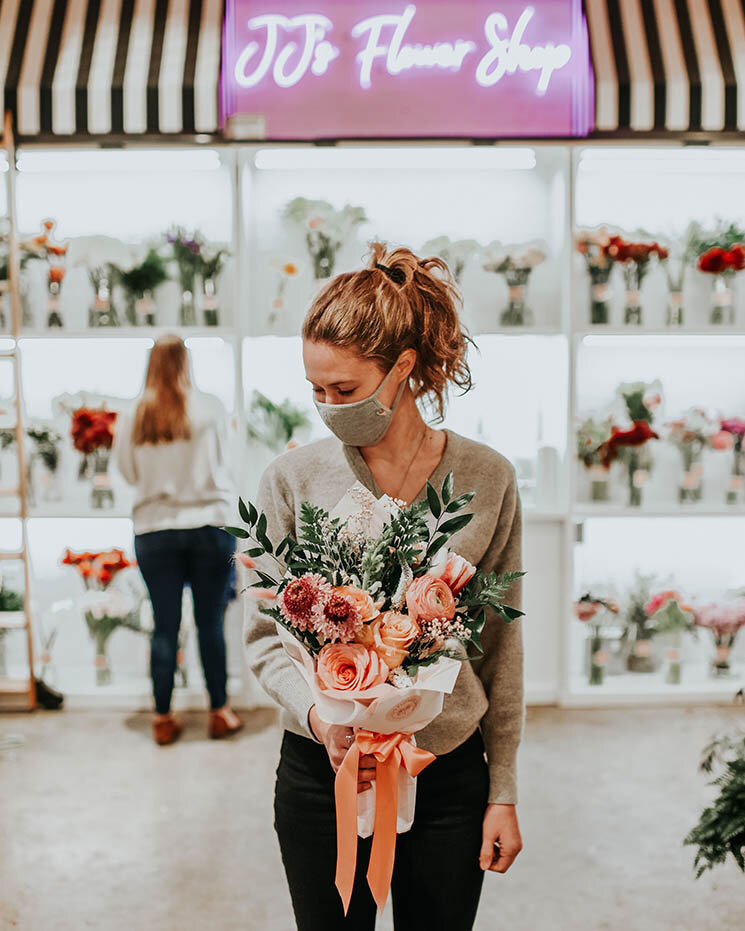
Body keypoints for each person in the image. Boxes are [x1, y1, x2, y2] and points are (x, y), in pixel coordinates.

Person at [243, 243, 525, 930]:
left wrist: (503, 789)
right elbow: (263, 638)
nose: (326, 406)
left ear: (402, 368)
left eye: (343, 390)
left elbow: (499, 645)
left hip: (446, 769)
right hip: (322, 773)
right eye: (314, 389)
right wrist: (321, 721)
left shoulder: (484, 477)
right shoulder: (291, 479)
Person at [115, 335, 243, 746]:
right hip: (210, 526)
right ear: (186, 361)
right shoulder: (210, 407)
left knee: (164, 626)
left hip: (154, 528)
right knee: (211, 624)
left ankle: (163, 718)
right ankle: (220, 712)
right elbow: (226, 461)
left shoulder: (134, 413)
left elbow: (127, 471)